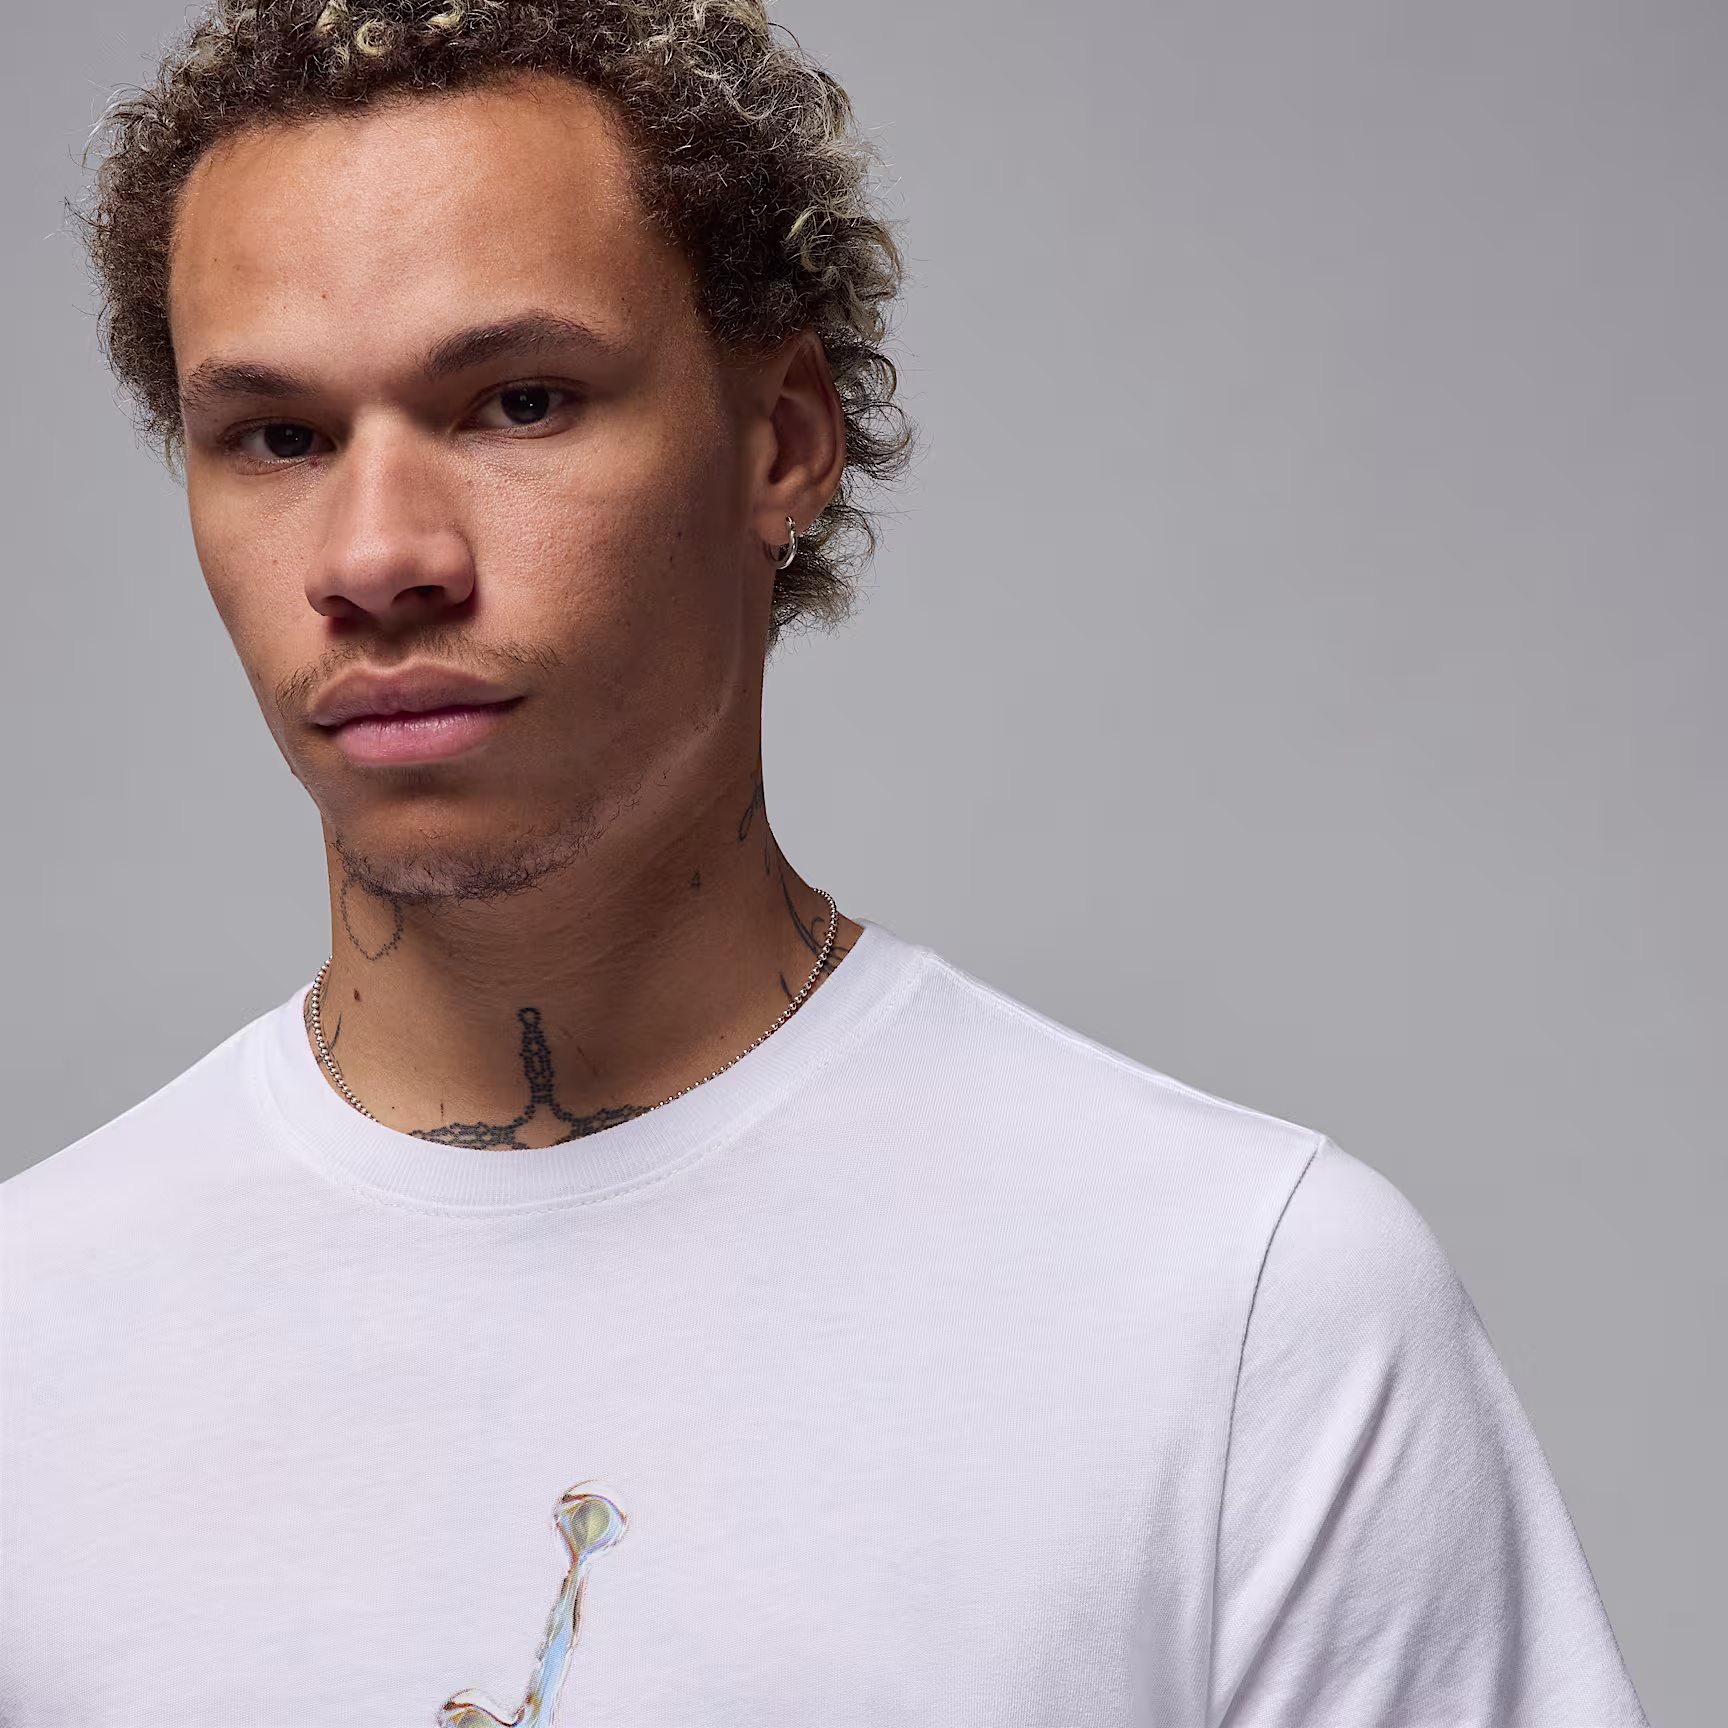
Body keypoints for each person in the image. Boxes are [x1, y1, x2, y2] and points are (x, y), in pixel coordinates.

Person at [0, 3, 1646, 1724]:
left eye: (520, 402)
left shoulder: (1240, 1307)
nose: (377, 557)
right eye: (278, 437)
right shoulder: (30, 1343)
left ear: (782, 440)